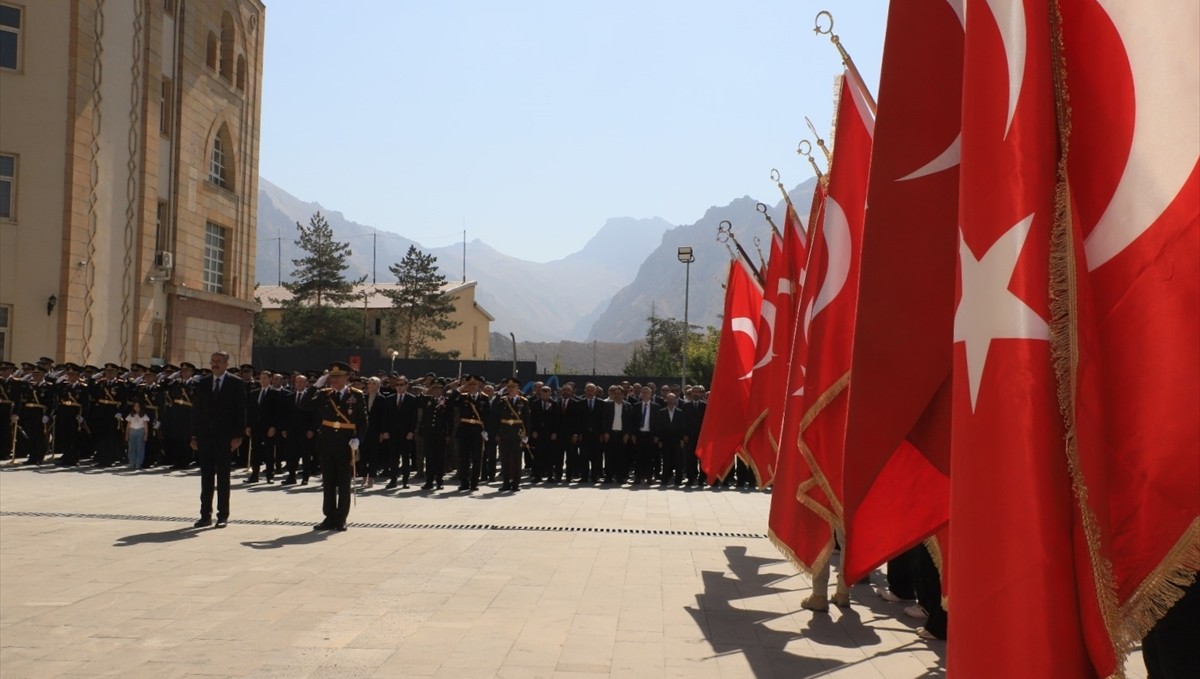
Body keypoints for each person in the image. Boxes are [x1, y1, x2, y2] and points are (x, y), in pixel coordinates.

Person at [299, 362, 366, 531]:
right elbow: (303, 405)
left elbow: (363, 422)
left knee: (344, 482)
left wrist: (358, 439)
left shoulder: (356, 395)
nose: (334, 380)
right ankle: (329, 516)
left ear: (346, 377)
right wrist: (315, 386)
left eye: (338, 376)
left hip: (346, 443)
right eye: (332, 376)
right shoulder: (324, 394)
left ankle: (341, 518)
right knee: (328, 482)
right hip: (327, 442)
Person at [189, 351, 247, 529]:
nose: (214, 365)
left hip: (225, 438)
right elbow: (196, 412)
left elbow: (241, 411)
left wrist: (238, 436)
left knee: (223, 478)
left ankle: (223, 515)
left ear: (226, 363)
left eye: (218, 362)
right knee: (206, 478)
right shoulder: (203, 383)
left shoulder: (236, 383)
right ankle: (205, 515)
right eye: (212, 361)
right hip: (205, 437)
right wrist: (193, 436)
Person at [447, 374, 490, 492]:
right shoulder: (462, 397)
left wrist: (486, 431)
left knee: (477, 457)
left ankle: (474, 483)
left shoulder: (484, 398)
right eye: (469, 384)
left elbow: (487, 416)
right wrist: (459, 388)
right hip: (464, 430)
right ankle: (464, 482)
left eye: (474, 384)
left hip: (477, 430)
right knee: (463, 457)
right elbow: (450, 402)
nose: (472, 387)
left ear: (478, 385)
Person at [495, 377, 530, 492]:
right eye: (508, 387)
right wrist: (497, 433)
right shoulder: (501, 400)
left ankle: (516, 483)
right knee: (505, 459)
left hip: (517, 433)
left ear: (518, 388)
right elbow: (496, 417)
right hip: (505, 433)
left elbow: (527, 419)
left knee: (517, 458)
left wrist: (526, 435)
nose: (510, 389)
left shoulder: (523, 401)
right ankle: (505, 483)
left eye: (513, 387)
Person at [417, 379, 451, 490]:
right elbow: (418, 400)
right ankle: (429, 481)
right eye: (435, 388)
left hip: (440, 434)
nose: (437, 390)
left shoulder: (446, 402)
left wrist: (448, 434)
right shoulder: (427, 400)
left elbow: (449, 420)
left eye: (439, 388)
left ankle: (439, 481)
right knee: (429, 458)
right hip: (428, 433)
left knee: (440, 458)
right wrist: (428, 390)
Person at [125, 401, 151, 469]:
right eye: (135, 406)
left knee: (140, 448)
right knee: (131, 448)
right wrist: (127, 434)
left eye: (138, 406)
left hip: (140, 431)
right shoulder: (131, 415)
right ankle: (132, 463)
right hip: (132, 431)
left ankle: (138, 463)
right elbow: (128, 425)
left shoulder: (144, 415)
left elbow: (145, 426)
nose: (136, 408)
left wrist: (146, 435)